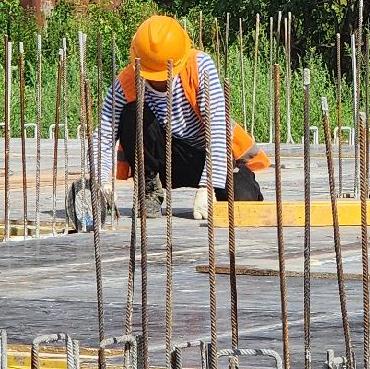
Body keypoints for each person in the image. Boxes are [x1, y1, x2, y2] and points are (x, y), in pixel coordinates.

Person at [89, 15, 268, 219]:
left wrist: (207, 186)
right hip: (162, 160)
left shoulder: (199, 66)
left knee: (244, 201)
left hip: (204, 155)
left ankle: (221, 187)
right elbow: (103, 136)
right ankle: (150, 189)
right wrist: (101, 182)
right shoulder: (126, 83)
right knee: (132, 113)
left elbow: (217, 128)